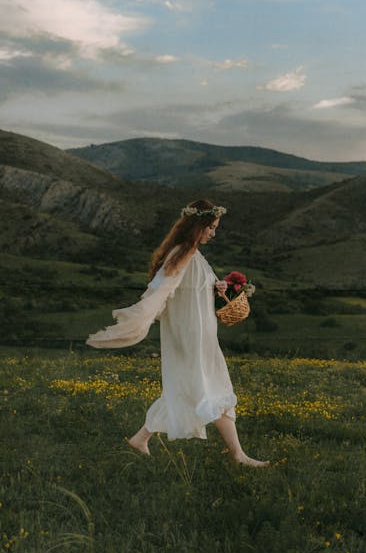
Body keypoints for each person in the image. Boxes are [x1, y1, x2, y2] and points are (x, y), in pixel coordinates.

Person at [86, 199, 269, 468]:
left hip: (201, 336)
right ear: (198, 226)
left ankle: (139, 439)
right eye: (211, 227)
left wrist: (215, 288)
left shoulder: (194, 255)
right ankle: (239, 456)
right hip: (192, 338)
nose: (213, 233)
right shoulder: (182, 254)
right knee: (213, 389)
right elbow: (162, 287)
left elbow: (190, 290)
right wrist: (138, 315)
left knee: (185, 390)